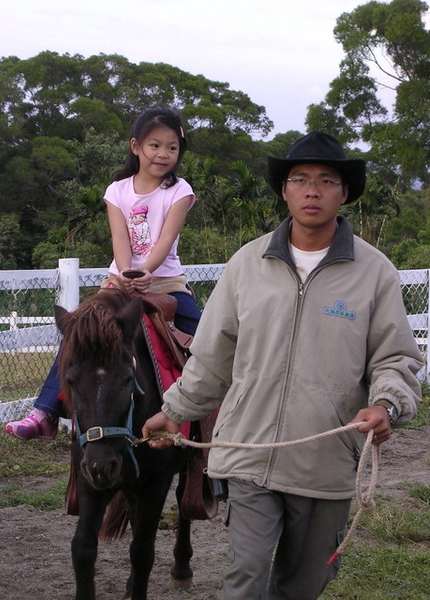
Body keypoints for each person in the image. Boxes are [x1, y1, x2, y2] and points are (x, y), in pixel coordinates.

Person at [142, 131, 423, 600]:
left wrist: (386, 405)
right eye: (300, 179)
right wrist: (175, 410)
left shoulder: (375, 273)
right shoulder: (247, 264)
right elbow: (213, 353)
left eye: (326, 180)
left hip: (326, 460)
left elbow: (396, 357)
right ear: (285, 190)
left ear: (344, 192)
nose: (312, 190)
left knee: (302, 584)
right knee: (245, 579)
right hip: (250, 452)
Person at [6, 107, 201, 441]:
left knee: (206, 338)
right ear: (136, 146)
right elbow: (119, 237)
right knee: (77, 332)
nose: (163, 154)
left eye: (172, 147)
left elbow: (166, 239)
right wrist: (126, 274)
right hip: (118, 281)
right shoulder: (117, 190)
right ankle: (45, 411)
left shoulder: (179, 190)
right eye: (155, 145)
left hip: (166, 281)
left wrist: (145, 272)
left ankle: (215, 417)